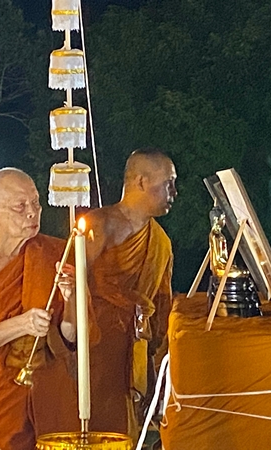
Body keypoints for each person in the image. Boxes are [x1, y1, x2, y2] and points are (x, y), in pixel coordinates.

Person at [0, 168, 80, 450]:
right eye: (20, 206)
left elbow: (69, 338)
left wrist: (71, 299)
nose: (32, 212)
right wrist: (22, 324)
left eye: (36, 203)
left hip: (48, 391)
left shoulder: (56, 254)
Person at [84, 147, 177, 439]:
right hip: (94, 348)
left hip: (136, 348)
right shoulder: (100, 225)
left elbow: (162, 304)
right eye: (168, 183)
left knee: (130, 431)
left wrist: (158, 352)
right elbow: (71, 285)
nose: (174, 192)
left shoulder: (161, 242)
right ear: (141, 182)